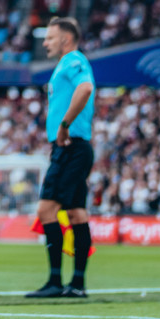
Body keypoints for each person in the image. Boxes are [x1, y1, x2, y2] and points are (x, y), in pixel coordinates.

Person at [27, 17, 96, 299]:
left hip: (71, 148)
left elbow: (86, 88)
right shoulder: (66, 64)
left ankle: (56, 282)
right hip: (75, 149)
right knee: (77, 215)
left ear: (65, 40)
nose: (45, 43)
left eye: (50, 38)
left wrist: (64, 125)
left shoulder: (72, 60)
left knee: (45, 211)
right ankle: (77, 284)